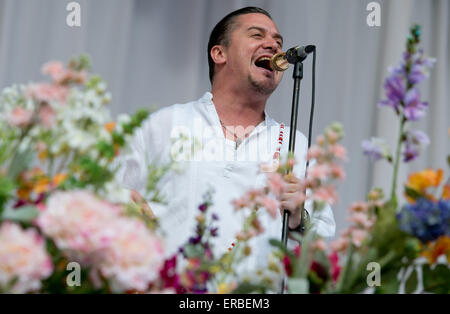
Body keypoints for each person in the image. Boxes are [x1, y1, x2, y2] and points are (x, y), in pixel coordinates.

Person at [116, 7, 335, 270]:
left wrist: (300, 219)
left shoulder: (294, 143)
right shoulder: (166, 124)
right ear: (219, 54)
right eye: (257, 35)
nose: (273, 46)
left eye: (278, 43)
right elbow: (113, 199)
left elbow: (322, 248)